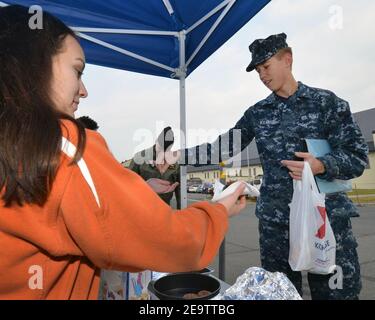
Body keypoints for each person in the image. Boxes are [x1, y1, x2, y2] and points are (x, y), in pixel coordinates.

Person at [0, 5, 247, 300]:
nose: (84, 90)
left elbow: (62, 210)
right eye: (77, 70)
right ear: (33, 64)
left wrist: (141, 189)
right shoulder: (66, 146)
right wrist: (218, 210)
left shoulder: (15, 141)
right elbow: (168, 240)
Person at [182, 33, 369, 299]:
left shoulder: (327, 104)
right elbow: (223, 147)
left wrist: (321, 164)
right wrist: (178, 156)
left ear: (288, 60)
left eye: (266, 67)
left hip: (326, 224)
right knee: (278, 294)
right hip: (277, 226)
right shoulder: (257, 113)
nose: (262, 75)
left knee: (335, 294)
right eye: (258, 70)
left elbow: (358, 157)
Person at [128, 126, 181, 209]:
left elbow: (179, 190)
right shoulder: (140, 158)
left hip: (165, 209)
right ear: (156, 141)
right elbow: (127, 183)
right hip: (142, 209)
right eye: (160, 149)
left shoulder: (174, 164)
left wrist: (180, 212)